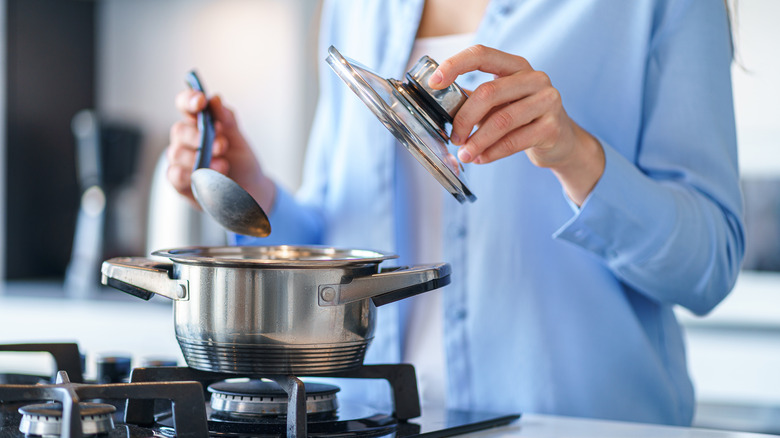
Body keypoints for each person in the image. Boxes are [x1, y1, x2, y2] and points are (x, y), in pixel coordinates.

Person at [166, 0, 743, 426]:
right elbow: (340, 242)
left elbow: (708, 267)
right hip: (367, 420)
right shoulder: (355, 8)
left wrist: (574, 152)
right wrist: (255, 192)